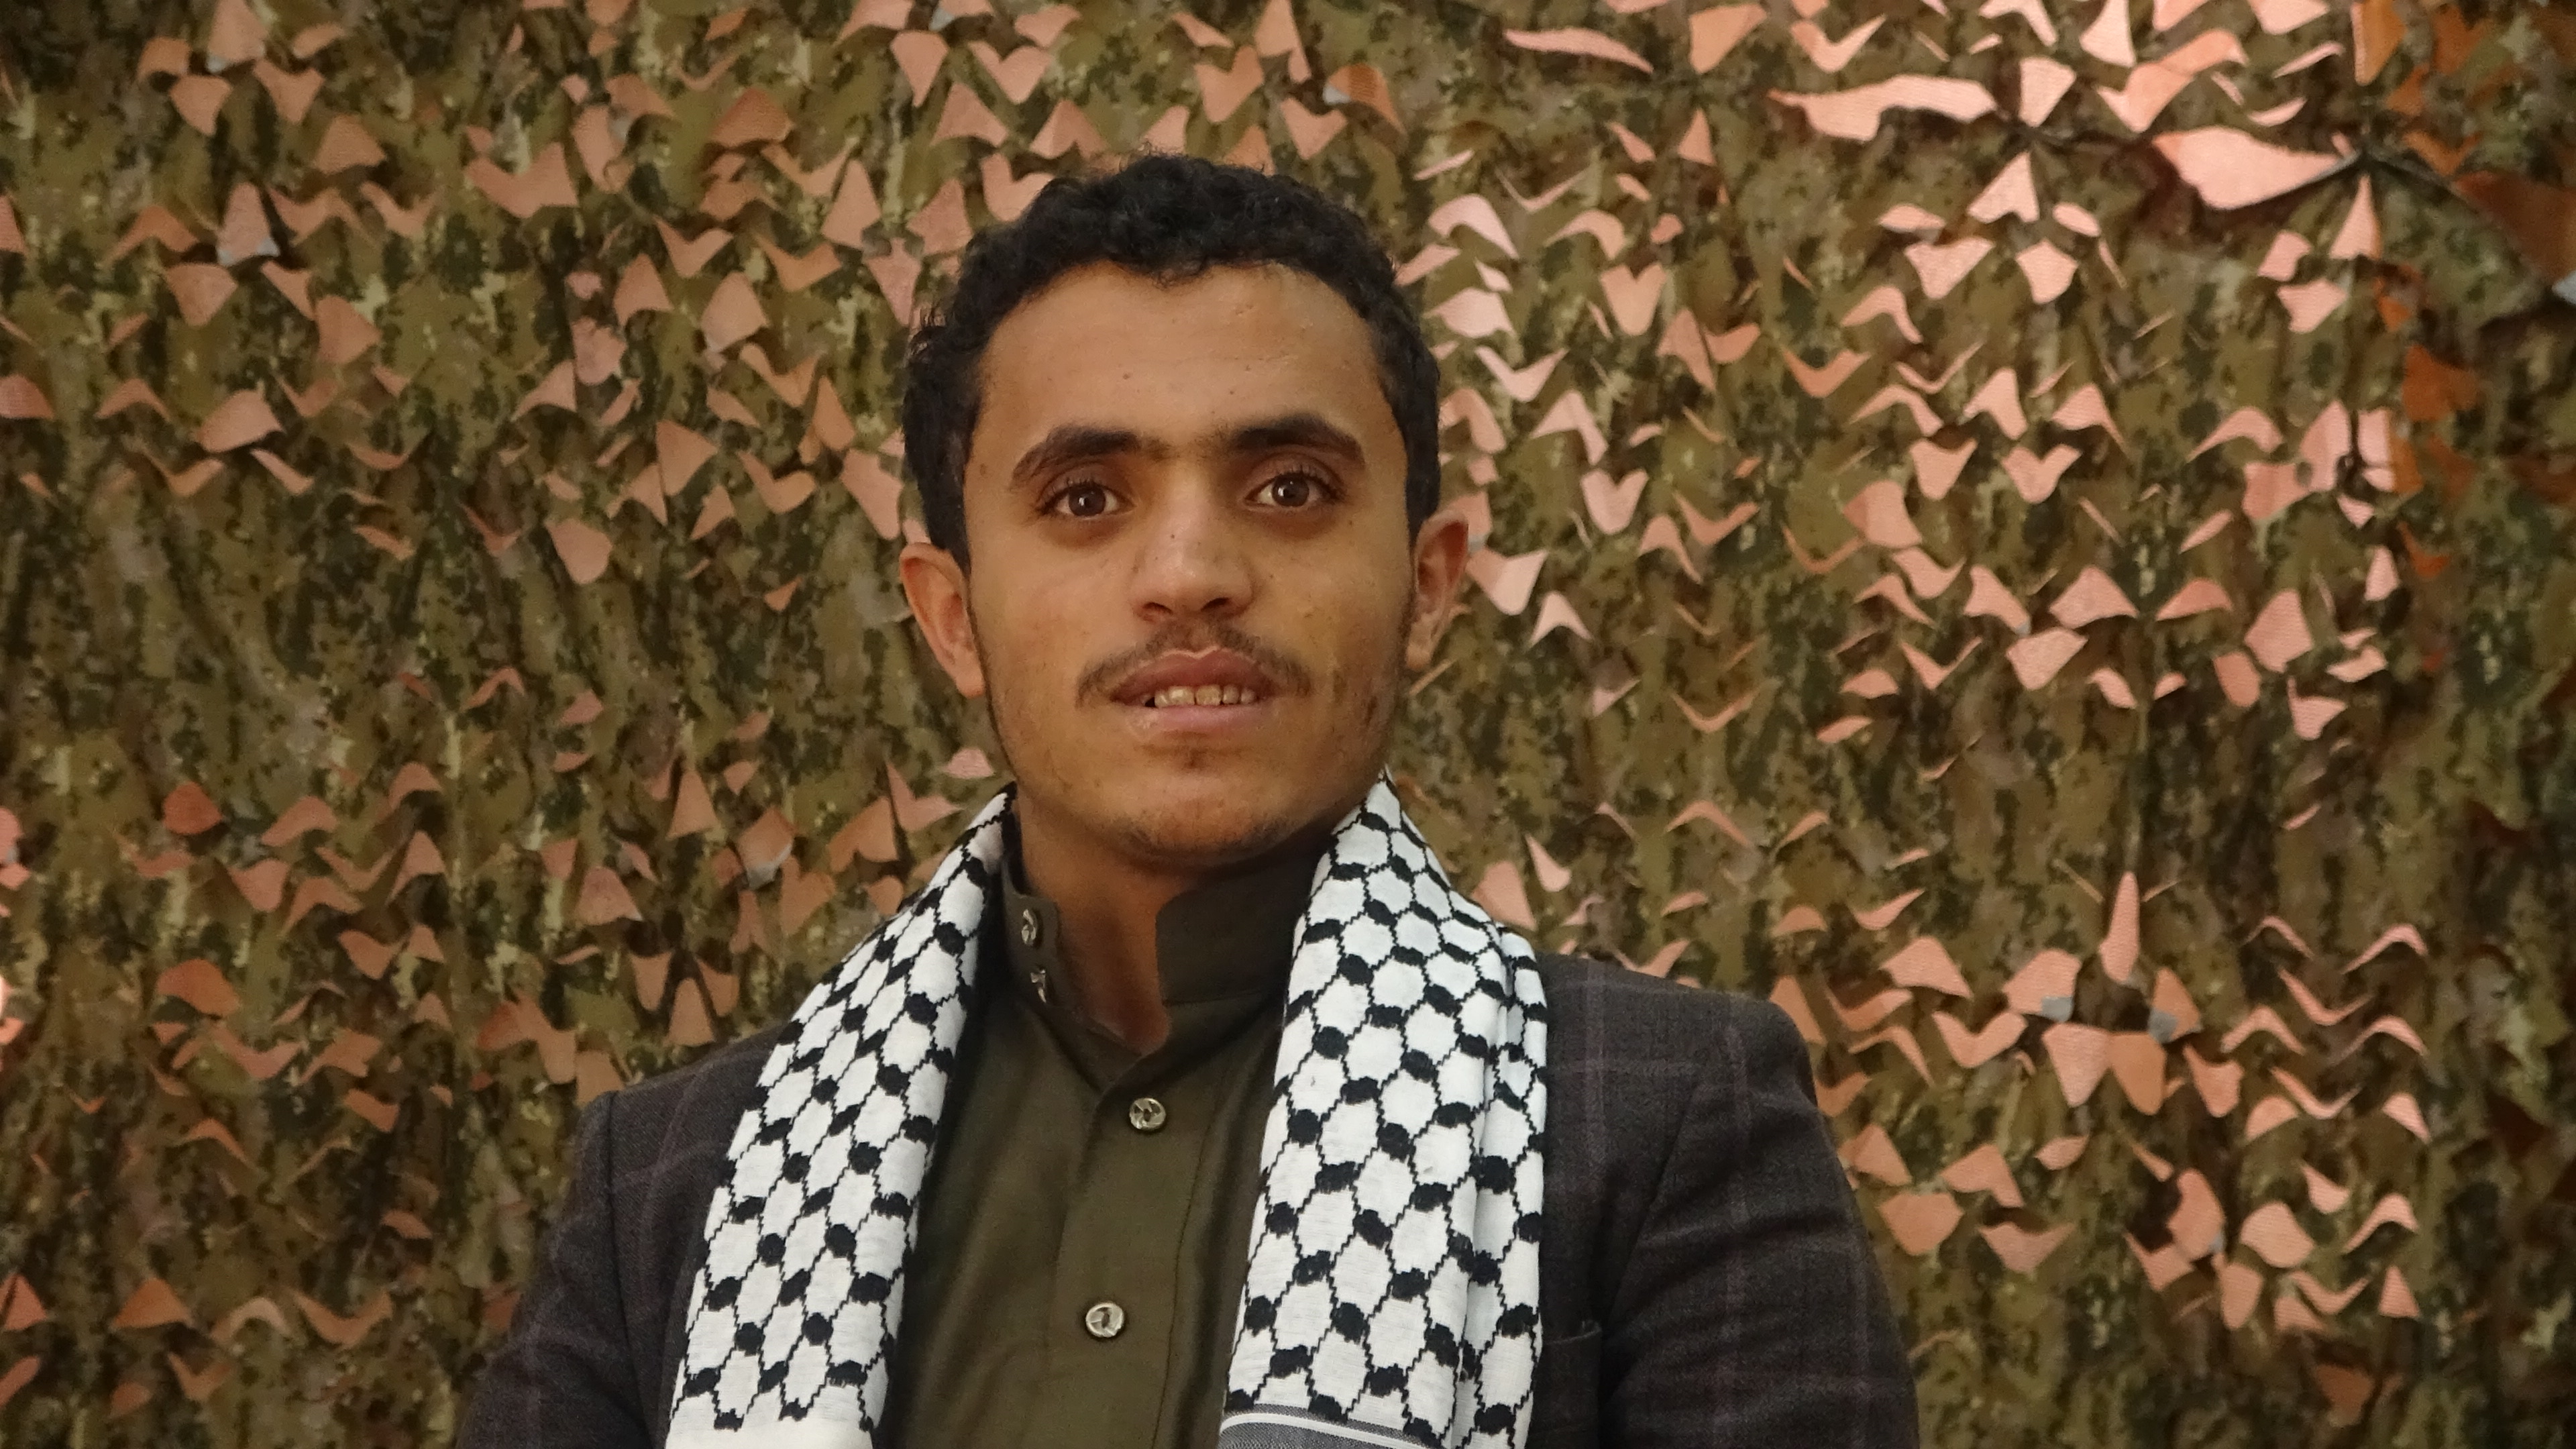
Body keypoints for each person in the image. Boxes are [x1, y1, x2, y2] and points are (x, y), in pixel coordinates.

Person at [461, 154, 1916, 1449]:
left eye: (1287, 487)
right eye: (1086, 498)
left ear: (1426, 586)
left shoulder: (1660, 1123)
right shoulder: (678, 1180)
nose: (1190, 575)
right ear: (952, 616)